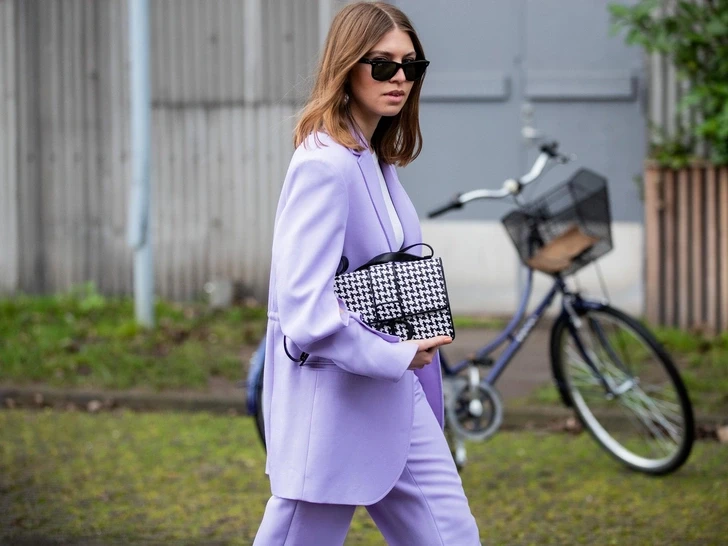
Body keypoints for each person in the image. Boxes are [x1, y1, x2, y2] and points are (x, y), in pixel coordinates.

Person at [253, 2, 481, 545]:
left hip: (396, 399)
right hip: (334, 404)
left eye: (411, 65)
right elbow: (304, 311)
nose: (399, 77)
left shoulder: (373, 160)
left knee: (453, 534)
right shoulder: (324, 164)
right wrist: (396, 353)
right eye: (382, 64)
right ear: (346, 67)